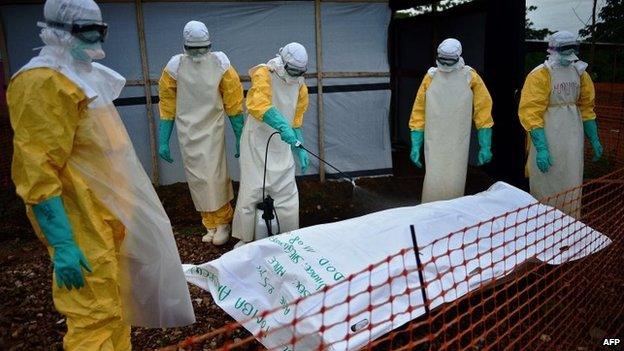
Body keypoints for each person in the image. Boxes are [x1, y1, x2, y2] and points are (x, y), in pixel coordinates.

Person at [6, 0, 195, 349]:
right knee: (93, 316)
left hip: (106, 217)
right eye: (87, 30)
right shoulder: (43, 82)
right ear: (60, 31)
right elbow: (37, 171)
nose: (96, 37)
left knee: (113, 309)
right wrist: (62, 243)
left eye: (100, 29)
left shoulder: (78, 74)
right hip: (80, 223)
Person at [158, 20, 244, 246]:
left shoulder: (221, 64)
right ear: (184, 46)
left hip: (212, 127)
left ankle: (224, 220)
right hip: (187, 130)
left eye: (203, 48)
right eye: (193, 49)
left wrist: (240, 136)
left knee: (214, 176)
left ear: (210, 44)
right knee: (196, 178)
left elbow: (234, 102)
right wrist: (163, 140)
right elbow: (167, 104)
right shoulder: (175, 67)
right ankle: (209, 223)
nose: (199, 53)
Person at [232, 42, 309, 248]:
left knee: (286, 191)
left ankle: (289, 237)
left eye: (299, 72)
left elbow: (296, 119)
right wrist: (283, 126)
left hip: (282, 144)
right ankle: (246, 238)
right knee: (253, 188)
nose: (294, 75)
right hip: (257, 140)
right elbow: (258, 103)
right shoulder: (264, 73)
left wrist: (299, 147)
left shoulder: (300, 85)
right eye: (292, 70)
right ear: (283, 62)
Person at [519, 31, 602, 215]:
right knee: (547, 180)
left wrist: (594, 138)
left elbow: (587, 108)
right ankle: (542, 224)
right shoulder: (540, 75)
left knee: (571, 176)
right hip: (549, 132)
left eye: (572, 49)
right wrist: (541, 148)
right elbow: (531, 112)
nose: (569, 54)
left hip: (573, 133)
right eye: (565, 50)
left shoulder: (580, 73)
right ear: (553, 49)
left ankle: (571, 220)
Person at [408, 38, 494, 203]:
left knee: (455, 179)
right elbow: (418, 111)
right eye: (443, 61)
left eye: (449, 61)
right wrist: (416, 143)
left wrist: (485, 144)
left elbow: (483, 110)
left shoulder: (470, 77)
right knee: (433, 179)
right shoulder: (430, 77)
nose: (446, 65)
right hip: (434, 141)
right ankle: (430, 214)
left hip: (457, 142)